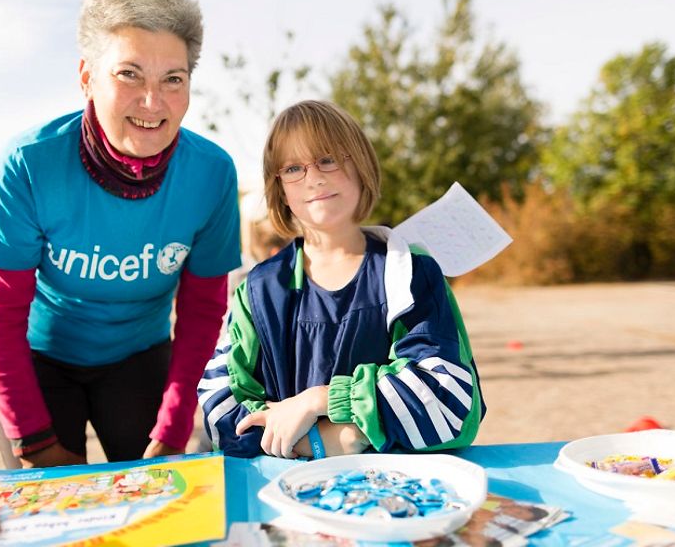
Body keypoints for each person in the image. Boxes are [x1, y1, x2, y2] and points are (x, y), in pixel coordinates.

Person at [0, 0, 240, 469]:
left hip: (138, 358)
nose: (152, 102)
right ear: (87, 76)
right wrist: (32, 439)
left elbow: (203, 313)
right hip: (36, 359)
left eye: (173, 79)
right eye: (129, 74)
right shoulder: (29, 163)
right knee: (51, 515)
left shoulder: (212, 174)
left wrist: (176, 424)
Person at [199, 100, 485, 458]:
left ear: (360, 164)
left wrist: (321, 400)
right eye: (292, 168)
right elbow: (221, 408)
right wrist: (333, 440)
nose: (314, 178)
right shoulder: (258, 291)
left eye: (328, 159)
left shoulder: (408, 272)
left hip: (398, 489)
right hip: (284, 486)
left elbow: (448, 400)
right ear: (280, 189)